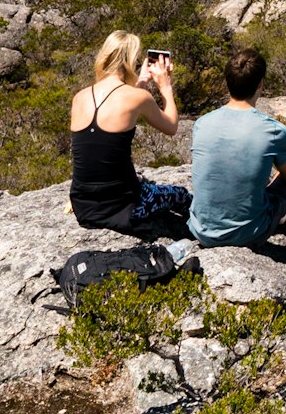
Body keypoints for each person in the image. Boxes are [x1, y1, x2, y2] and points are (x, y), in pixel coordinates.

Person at [67, 32, 195, 250]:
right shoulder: (137, 97)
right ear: (131, 61)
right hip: (122, 206)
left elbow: (121, 110)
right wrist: (165, 87)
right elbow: (171, 126)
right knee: (181, 196)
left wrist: (142, 81)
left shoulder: (80, 97)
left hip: (83, 203)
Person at [185, 43, 286, 249]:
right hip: (248, 234)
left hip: (202, 231)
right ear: (260, 85)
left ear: (227, 82)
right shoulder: (273, 131)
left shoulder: (202, 123)